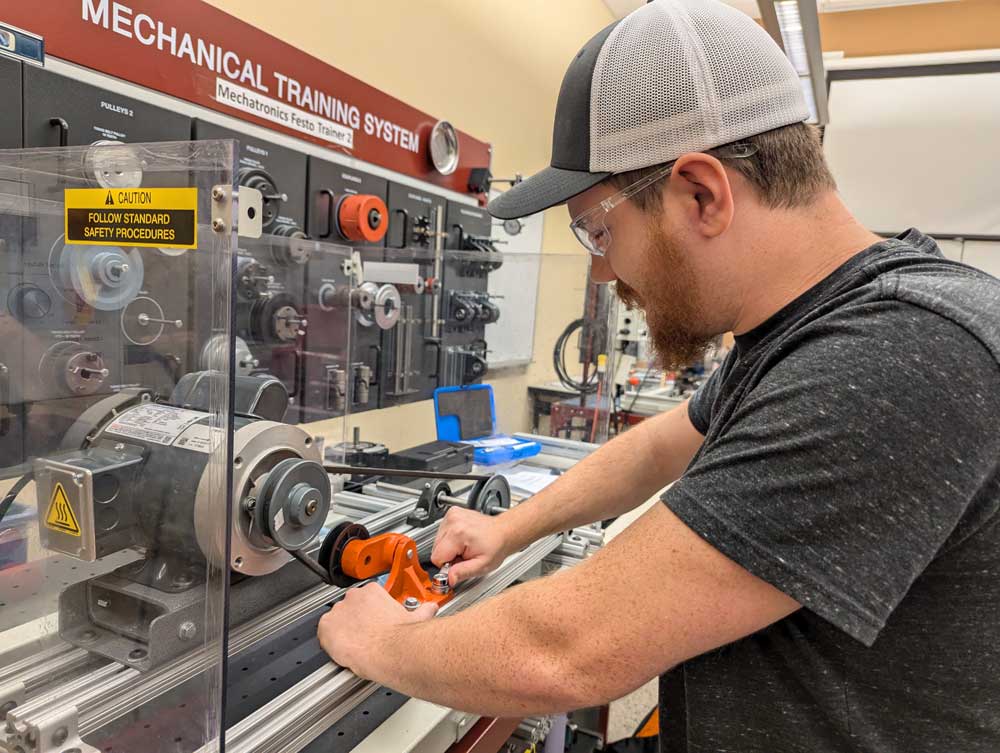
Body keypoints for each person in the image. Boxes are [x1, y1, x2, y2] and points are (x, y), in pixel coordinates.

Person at [318, 0, 1000, 750]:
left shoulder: (894, 352)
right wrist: (507, 528)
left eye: (600, 230)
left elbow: (573, 648)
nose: (603, 268)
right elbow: (653, 449)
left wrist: (383, 641)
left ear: (701, 193)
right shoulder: (808, 328)